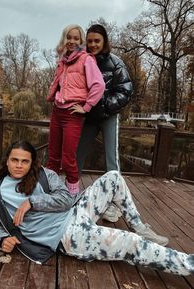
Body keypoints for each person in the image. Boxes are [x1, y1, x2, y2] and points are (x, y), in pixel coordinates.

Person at [0, 141, 194, 276]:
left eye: (25, 161)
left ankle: (139, 226)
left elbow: (66, 198)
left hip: (75, 211)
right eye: (15, 160)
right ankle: (189, 264)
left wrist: (33, 202)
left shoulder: (44, 174)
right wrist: (2, 238)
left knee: (113, 177)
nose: (19, 165)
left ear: (32, 163)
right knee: (131, 244)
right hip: (68, 236)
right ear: (7, 161)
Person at [76, 24, 133, 222]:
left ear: (104, 41)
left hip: (109, 115)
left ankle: (111, 203)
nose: (92, 44)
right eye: (89, 41)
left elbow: (125, 91)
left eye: (96, 41)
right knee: (77, 155)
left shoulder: (116, 63)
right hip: (88, 116)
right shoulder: (81, 61)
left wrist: (105, 107)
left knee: (112, 160)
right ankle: (70, 195)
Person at [46, 24, 105, 195]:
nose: (72, 41)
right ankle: (51, 190)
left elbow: (98, 85)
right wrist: (54, 97)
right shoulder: (62, 61)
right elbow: (59, 85)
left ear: (81, 41)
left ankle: (72, 194)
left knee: (68, 158)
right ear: (64, 39)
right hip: (57, 111)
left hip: (72, 114)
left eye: (76, 38)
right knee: (53, 157)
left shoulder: (86, 59)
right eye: (69, 37)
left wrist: (86, 107)